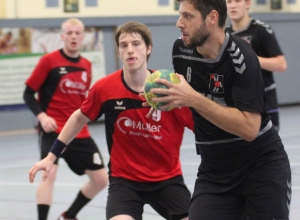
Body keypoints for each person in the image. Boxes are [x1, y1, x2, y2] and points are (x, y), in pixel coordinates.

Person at [28, 21, 194, 220]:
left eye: (136, 44)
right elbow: (79, 117)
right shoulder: (105, 88)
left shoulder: (168, 90)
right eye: (124, 45)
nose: (130, 50)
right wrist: (51, 156)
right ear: (118, 51)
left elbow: (202, 128)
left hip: (167, 180)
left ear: (148, 48)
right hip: (125, 182)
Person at [142, 0, 291, 219]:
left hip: (260, 165)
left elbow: (249, 128)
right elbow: (191, 101)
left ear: (212, 18)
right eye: (180, 15)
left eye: (188, 16)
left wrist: (193, 98)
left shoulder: (243, 57)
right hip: (215, 169)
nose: (179, 23)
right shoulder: (181, 50)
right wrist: (170, 98)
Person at [23, 18, 108, 220]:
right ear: (62, 36)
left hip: (78, 131)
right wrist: (42, 117)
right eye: (69, 33)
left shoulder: (86, 65)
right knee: (48, 173)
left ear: (82, 36)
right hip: (52, 130)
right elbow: (28, 94)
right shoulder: (49, 61)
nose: (73, 36)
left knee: (101, 180)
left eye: (77, 33)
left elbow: (84, 102)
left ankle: (69, 215)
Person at [225, 0, 287, 131]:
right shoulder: (224, 35)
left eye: (237, 1)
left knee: (267, 148)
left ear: (247, 3)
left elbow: (281, 64)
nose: (233, 5)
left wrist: (249, 59)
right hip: (239, 103)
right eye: (229, 1)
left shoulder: (261, 30)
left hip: (265, 102)